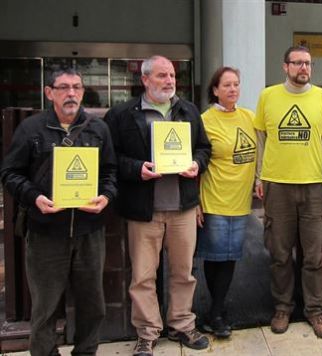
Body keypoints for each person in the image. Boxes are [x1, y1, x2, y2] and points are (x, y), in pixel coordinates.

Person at [0, 68, 117, 355]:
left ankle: (86, 352)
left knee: (92, 305)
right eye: (63, 87)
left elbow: (110, 172)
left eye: (77, 87)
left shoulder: (97, 129)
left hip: (89, 231)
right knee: (46, 307)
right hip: (46, 232)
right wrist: (35, 197)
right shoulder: (31, 129)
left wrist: (106, 196)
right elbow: (11, 173)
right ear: (49, 92)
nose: (71, 93)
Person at [104, 55, 211, 354]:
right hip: (143, 210)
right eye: (162, 75)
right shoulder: (123, 115)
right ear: (145, 79)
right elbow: (110, 159)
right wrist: (137, 168)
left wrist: (196, 164)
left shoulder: (188, 111)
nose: (169, 81)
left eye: (172, 76)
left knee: (183, 272)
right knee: (143, 275)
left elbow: (204, 149)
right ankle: (148, 332)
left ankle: (182, 324)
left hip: (183, 208)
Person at [254, 45, 322, 339]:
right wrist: (259, 177)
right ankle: (282, 307)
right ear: (285, 66)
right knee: (279, 253)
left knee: (316, 255)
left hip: (315, 185)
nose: (304, 68)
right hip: (277, 185)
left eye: (308, 63)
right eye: (298, 63)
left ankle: (315, 311)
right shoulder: (268, 96)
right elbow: (261, 140)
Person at [196, 67, 256, 338]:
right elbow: (196, 161)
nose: (233, 89)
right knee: (216, 256)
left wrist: (261, 179)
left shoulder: (249, 118)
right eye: (227, 85)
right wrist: (195, 202)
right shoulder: (205, 120)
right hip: (215, 199)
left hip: (240, 201)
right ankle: (216, 312)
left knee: (231, 257)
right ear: (215, 90)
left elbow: (261, 150)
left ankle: (216, 311)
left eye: (236, 84)